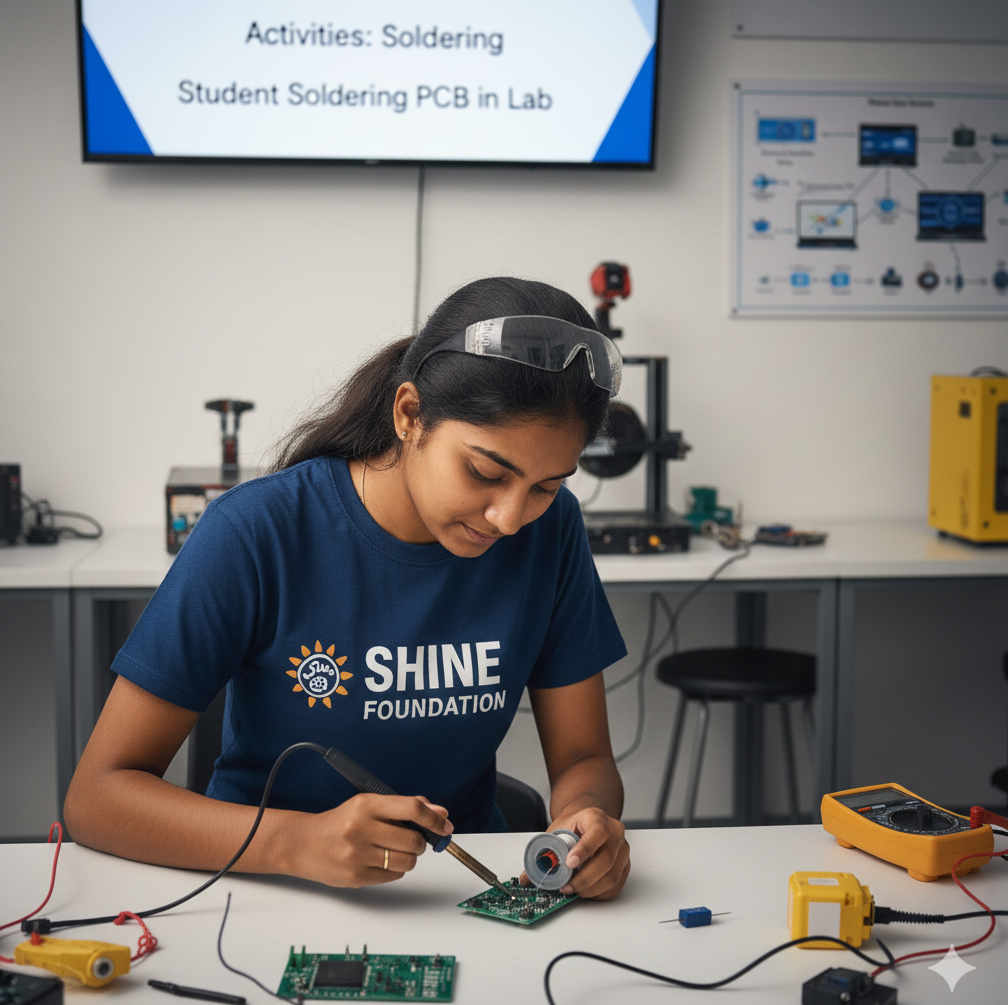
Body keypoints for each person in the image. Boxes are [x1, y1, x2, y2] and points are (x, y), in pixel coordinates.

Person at [64, 277, 631, 900]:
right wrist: (297, 842)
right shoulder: (254, 532)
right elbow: (97, 798)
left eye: (546, 486)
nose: (509, 518)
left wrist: (585, 822)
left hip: (460, 892)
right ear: (409, 415)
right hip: (263, 888)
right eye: (484, 472)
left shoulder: (551, 530)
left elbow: (584, 759)